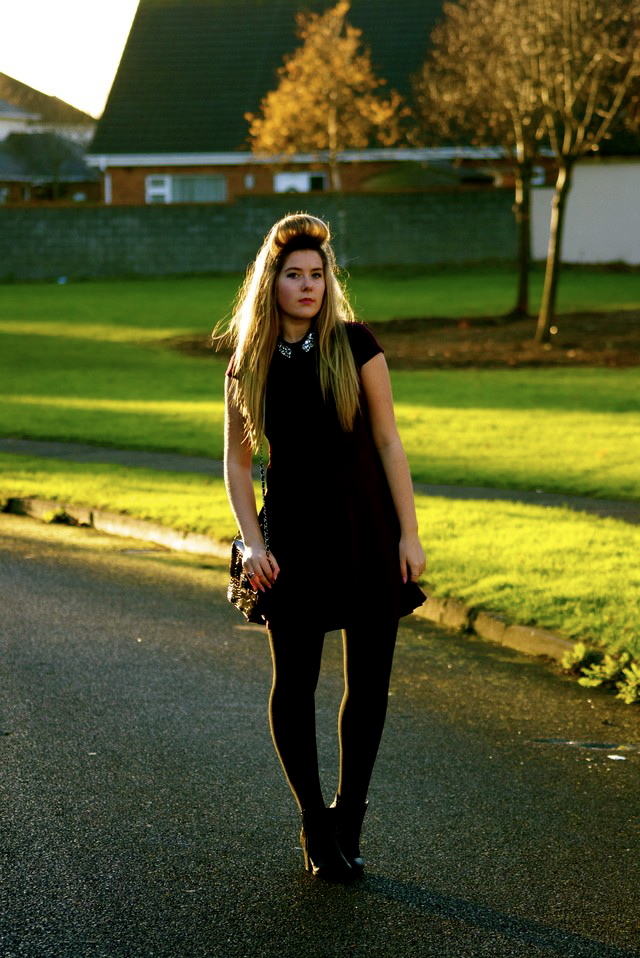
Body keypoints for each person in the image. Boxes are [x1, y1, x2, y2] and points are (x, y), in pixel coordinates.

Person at [222, 213, 426, 881]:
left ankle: (350, 816)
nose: (308, 286)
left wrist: (410, 533)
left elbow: (389, 441)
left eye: (318, 274)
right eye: (294, 274)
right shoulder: (248, 363)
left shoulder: (355, 345)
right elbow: (237, 464)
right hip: (293, 542)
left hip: (368, 533)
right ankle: (314, 821)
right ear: (271, 283)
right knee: (295, 684)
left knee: (369, 686)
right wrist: (253, 544)